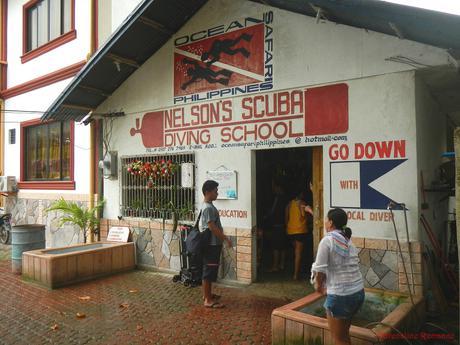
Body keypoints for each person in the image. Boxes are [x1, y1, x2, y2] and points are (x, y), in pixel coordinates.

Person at [311, 208, 364, 345]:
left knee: (339, 339)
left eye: (326, 219)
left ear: (331, 222)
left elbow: (320, 269)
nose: (325, 222)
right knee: (344, 335)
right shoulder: (348, 241)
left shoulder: (327, 241)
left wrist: (319, 287)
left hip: (341, 296)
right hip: (358, 292)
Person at [200, 180, 232, 308]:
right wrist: (225, 238)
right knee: (209, 271)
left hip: (212, 244)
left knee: (208, 270)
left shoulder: (207, 205)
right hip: (211, 245)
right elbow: (212, 227)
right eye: (215, 191)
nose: (217, 193)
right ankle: (208, 300)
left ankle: (207, 295)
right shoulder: (208, 208)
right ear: (208, 192)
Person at [285, 190, 313, 280]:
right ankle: (296, 275)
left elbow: (286, 218)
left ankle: (296, 271)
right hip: (300, 230)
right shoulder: (302, 203)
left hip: (290, 231)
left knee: (295, 252)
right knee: (298, 253)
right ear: (300, 194)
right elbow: (303, 215)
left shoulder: (289, 204)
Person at [265, 180, 289, 273]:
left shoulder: (278, 198)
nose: (273, 189)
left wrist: (267, 216)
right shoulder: (287, 198)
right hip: (285, 225)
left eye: (274, 187)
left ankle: (275, 266)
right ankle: (282, 265)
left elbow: (272, 212)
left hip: (277, 226)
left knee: (275, 247)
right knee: (283, 246)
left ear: (279, 187)